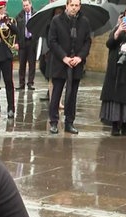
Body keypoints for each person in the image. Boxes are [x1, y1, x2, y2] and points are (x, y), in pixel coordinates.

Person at [47, 0, 92, 134]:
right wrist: (64, 57)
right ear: (67, 6)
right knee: (56, 94)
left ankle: (69, 122)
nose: (74, 8)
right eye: (71, 5)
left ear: (80, 7)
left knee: (72, 95)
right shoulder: (57, 20)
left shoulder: (84, 21)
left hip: (76, 63)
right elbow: (52, 41)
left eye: (76, 5)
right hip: (60, 63)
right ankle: (54, 122)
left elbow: (87, 41)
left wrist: (80, 57)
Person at [100, 4, 126, 137]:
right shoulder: (118, 27)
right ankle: (114, 125)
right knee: (115, 95)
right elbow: (109, 44)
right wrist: (118, 32)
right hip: (116, 66)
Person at [15, 0, 37, 91]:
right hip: (22, 42)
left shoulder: (36, 14)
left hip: (32, 42)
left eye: (27, 5)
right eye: (24, 6)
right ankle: (21, 83)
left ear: (30, 4)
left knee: (32, 64)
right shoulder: (19, 16)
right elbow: (16, 31)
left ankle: (30, 83)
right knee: (22, 64)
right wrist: (16, 42)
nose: (25, 7)